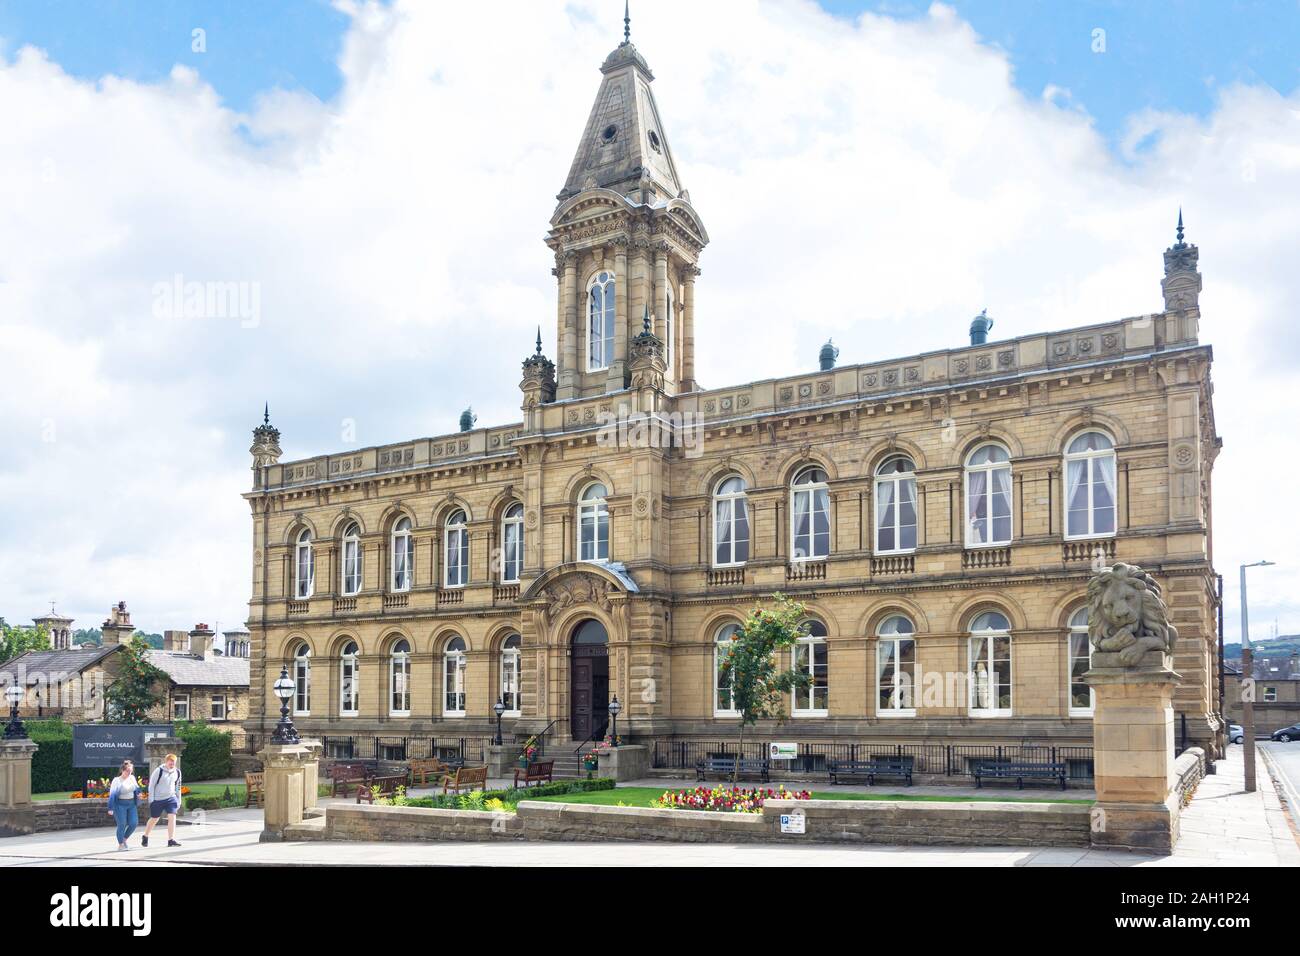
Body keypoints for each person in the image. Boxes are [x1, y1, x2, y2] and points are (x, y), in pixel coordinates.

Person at [141, 753, 183, 847]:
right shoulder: (158, 771)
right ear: (166, 761)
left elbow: (178, 787)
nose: (172, 764)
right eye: (170, 762)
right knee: (155, 819)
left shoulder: (177, 772)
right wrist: (151, 800)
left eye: (174, 762)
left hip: (171, 798)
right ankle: (145, 836)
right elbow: (151, 786)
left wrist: (178, 800)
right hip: (158, 799)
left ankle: (170, 840)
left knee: (172, 817)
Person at [106, 760, 139, 851]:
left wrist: (139, 793)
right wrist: (110, 808)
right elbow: (112, 794)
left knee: (134, 823)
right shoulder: (117, 780)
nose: (129, 773)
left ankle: (124, 839)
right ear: (122, 770)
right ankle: (120, 844)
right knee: (122, 824)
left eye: (130, 771)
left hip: (131, 804)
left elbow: (137, 788)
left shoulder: (132, 778)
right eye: (127, 771)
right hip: (120, 805)